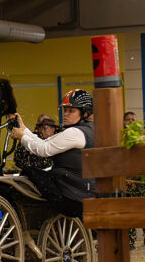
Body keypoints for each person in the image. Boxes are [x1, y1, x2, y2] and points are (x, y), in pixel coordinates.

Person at [10, 89, 95, 217]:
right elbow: (44, 143)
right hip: (85, 195)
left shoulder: (74, 133)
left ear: (85, 113)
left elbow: (43, 150)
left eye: (71, 111)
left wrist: (22, 137)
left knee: (29, 171)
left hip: (72, 199)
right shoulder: (89, 130)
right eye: (65, 110)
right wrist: (23, 129)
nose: (65, 114)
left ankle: (26, 218)